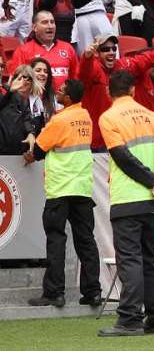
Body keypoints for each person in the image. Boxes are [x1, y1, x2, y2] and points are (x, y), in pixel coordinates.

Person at [97, 70, 154, 337]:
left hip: (128, 196)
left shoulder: (108, 117)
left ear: (110, 92)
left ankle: (130, 319)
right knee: (150, 258)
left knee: (130, 260)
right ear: (133, 91)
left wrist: (150, 180)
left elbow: (121, 156)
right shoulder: (153, 117)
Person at [23, 79, 101, 309]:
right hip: (83, 188)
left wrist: (28, 156)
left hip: (60, 189)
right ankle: (93, 292)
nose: (58, 90)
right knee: (86, 241)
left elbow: (38, 151)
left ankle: (54, 293)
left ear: (68, 98)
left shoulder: (59, 119)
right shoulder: (85, 116)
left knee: (56, 240)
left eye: (62, 90)